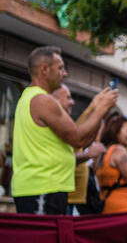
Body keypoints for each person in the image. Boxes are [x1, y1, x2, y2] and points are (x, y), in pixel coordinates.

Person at [12, 47, 117, 214]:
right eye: (60, 68)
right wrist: (101, 109)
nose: (65, 73)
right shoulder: (43, 100)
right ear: (44, 69)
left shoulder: (32, 97)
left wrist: (95, 108)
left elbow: (80, 136)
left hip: (45, 188)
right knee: (43, 240)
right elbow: (78, 139)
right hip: (42, 188)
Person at [51, 85, 107, 215]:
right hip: (66, 199)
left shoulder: (66, 124)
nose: (72, 102)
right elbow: (64, 156)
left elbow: (82, 128)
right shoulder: (56, 125)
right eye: (68, 97)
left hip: (73, 200)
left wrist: (96, 106)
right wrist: (88, 154)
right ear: (54, 101)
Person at [96, 113, 127, 213]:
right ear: (116, 131)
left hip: (107, 205)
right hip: (123, 207)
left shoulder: (105, 151)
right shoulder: (118, 151)